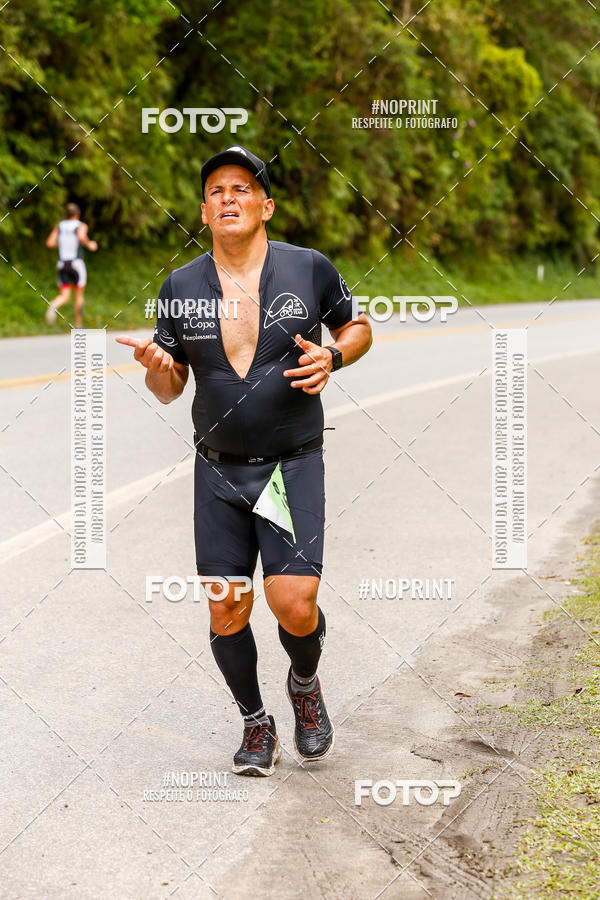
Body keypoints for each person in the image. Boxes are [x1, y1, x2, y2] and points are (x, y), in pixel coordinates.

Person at [116, 146, 372, 776]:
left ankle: (304, 683)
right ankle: (256, 723)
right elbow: (170, 388)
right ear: (204, 212)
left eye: (241, 188)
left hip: (289, 465)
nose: (228, 197)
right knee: (227, 606)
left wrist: (334, 356)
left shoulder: (308, 268)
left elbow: (358, 326)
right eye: (216, 190)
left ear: (266, 205)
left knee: (294, 603)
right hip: (219, 470)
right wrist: (157, 368)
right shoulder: (180, 288)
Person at [45, 202, 98, 328]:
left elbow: (50, 243)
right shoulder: (80, 225)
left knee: (65, 296)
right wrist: (90, 244)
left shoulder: (59, 226)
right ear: (78, 214)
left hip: (62, 264)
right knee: (79, 296)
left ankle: (54, 304)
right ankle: (78, 326)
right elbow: (81, 236)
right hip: (76, 264)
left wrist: (63, 243)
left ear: (66, 214)